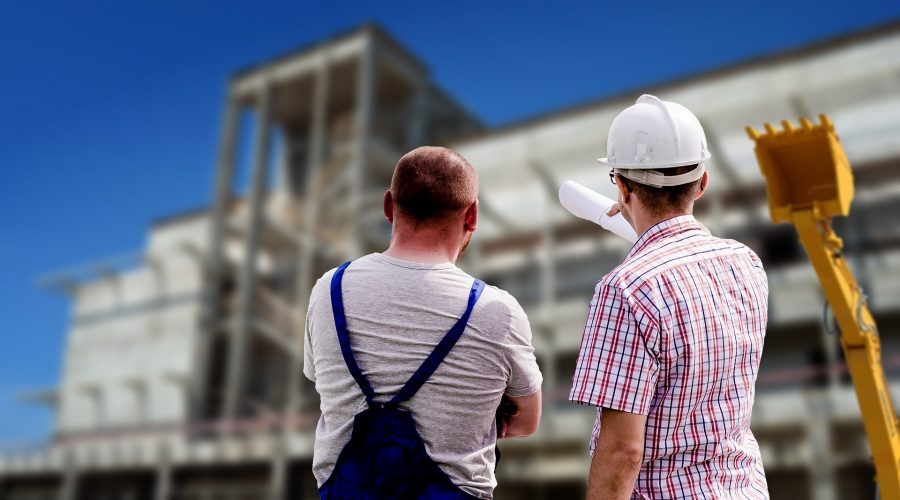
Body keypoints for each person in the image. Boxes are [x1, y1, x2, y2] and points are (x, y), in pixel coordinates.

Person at [304, 146, 543, 499]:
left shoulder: (328, 290)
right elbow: (526, 421)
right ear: (472, 215)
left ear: (388, 206)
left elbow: (317, 378)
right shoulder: (497, 310)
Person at [568, 95, 769, 499]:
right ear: (703, 182)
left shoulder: (625, 290)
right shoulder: (747, 263)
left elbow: (622, 451)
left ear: (622, 186)